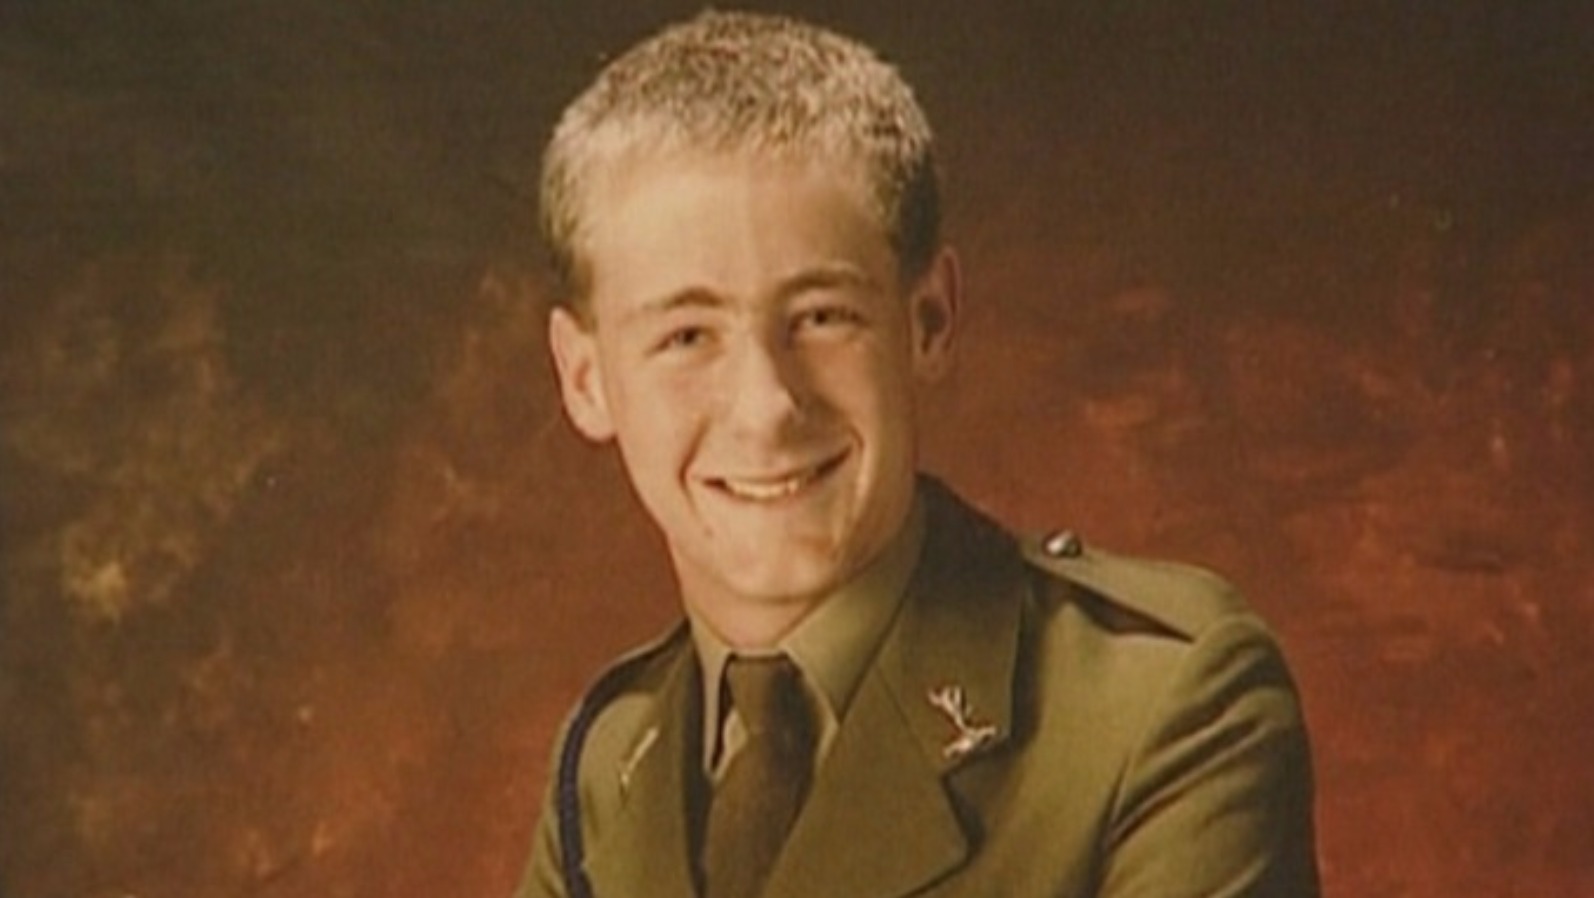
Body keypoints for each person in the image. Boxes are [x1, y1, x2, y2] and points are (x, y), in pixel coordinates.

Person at [516, 10, 1319, 898]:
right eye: (685, 336)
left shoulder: (1155, 705)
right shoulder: (605, 766)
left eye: (822, 317)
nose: (767, 407)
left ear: (929, 320)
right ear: (585, 379)